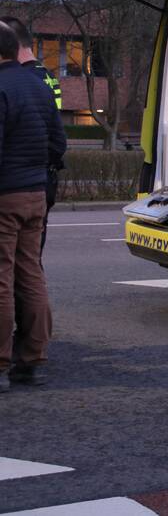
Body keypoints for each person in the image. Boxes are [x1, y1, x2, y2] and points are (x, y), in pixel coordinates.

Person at [0, 21, 66, 391]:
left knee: (2, 278)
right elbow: (58, 144)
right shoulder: (40, 86)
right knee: (31, 274)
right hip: (35, 193)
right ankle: (33, 360)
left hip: (5, 195)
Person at [0, 16, 62, 238]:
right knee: (31, 260)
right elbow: (57, 140)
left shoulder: (13, 81)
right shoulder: (46, 78)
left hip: (13, 185)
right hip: (39, 182)